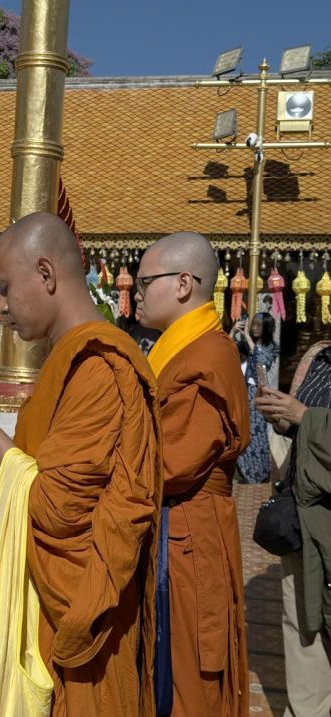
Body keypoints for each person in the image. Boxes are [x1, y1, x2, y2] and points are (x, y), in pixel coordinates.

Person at [0, 212, 163, 716]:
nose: (0, 306)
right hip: (47, 612)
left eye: (4, 288)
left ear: (45, 273)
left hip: (83, 626)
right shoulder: (68, 359)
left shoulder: (98, 368)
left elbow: (53, 509)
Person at [135, 231, 250, 717]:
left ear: (183, 284)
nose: (135, 292)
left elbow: (170, 463)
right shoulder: (176, 351)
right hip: (169, 529)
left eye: (145, 282)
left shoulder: (207, 357)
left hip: (186, 538)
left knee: (186, 682)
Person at [255, 340, 331, 717]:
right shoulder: (322, 357)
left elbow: (309, 418)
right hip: (304, 524)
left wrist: (304, 415)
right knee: (303, 631)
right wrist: (282, 417)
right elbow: (300, 430)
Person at [231, 312, 279, 483]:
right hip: (243, 391)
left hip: (258, 393)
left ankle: (260, 473)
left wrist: (247, 337)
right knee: (242, 431)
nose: (255, 328)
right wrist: (233, 331)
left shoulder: (270, 347)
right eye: (254, 324)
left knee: (257, 433)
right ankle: (246, 472)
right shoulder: (246, 345)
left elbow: (261, 361)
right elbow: (228, 349)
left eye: (259, 325)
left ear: (267, 327)